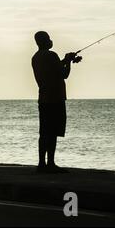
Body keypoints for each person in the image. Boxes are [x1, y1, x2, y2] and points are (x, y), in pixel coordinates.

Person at [31, 31, 82, 173]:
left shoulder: (36, 57)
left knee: (44, 132)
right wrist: (69, 63)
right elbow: (63, 74)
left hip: (43, 98)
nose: (50, 40)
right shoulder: (51, 55)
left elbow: (52, 69)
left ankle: (42, 164)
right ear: (44, 41)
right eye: (48, 38)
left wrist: (66, 60)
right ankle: (51, 163)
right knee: (52, 132)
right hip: (55, 98)